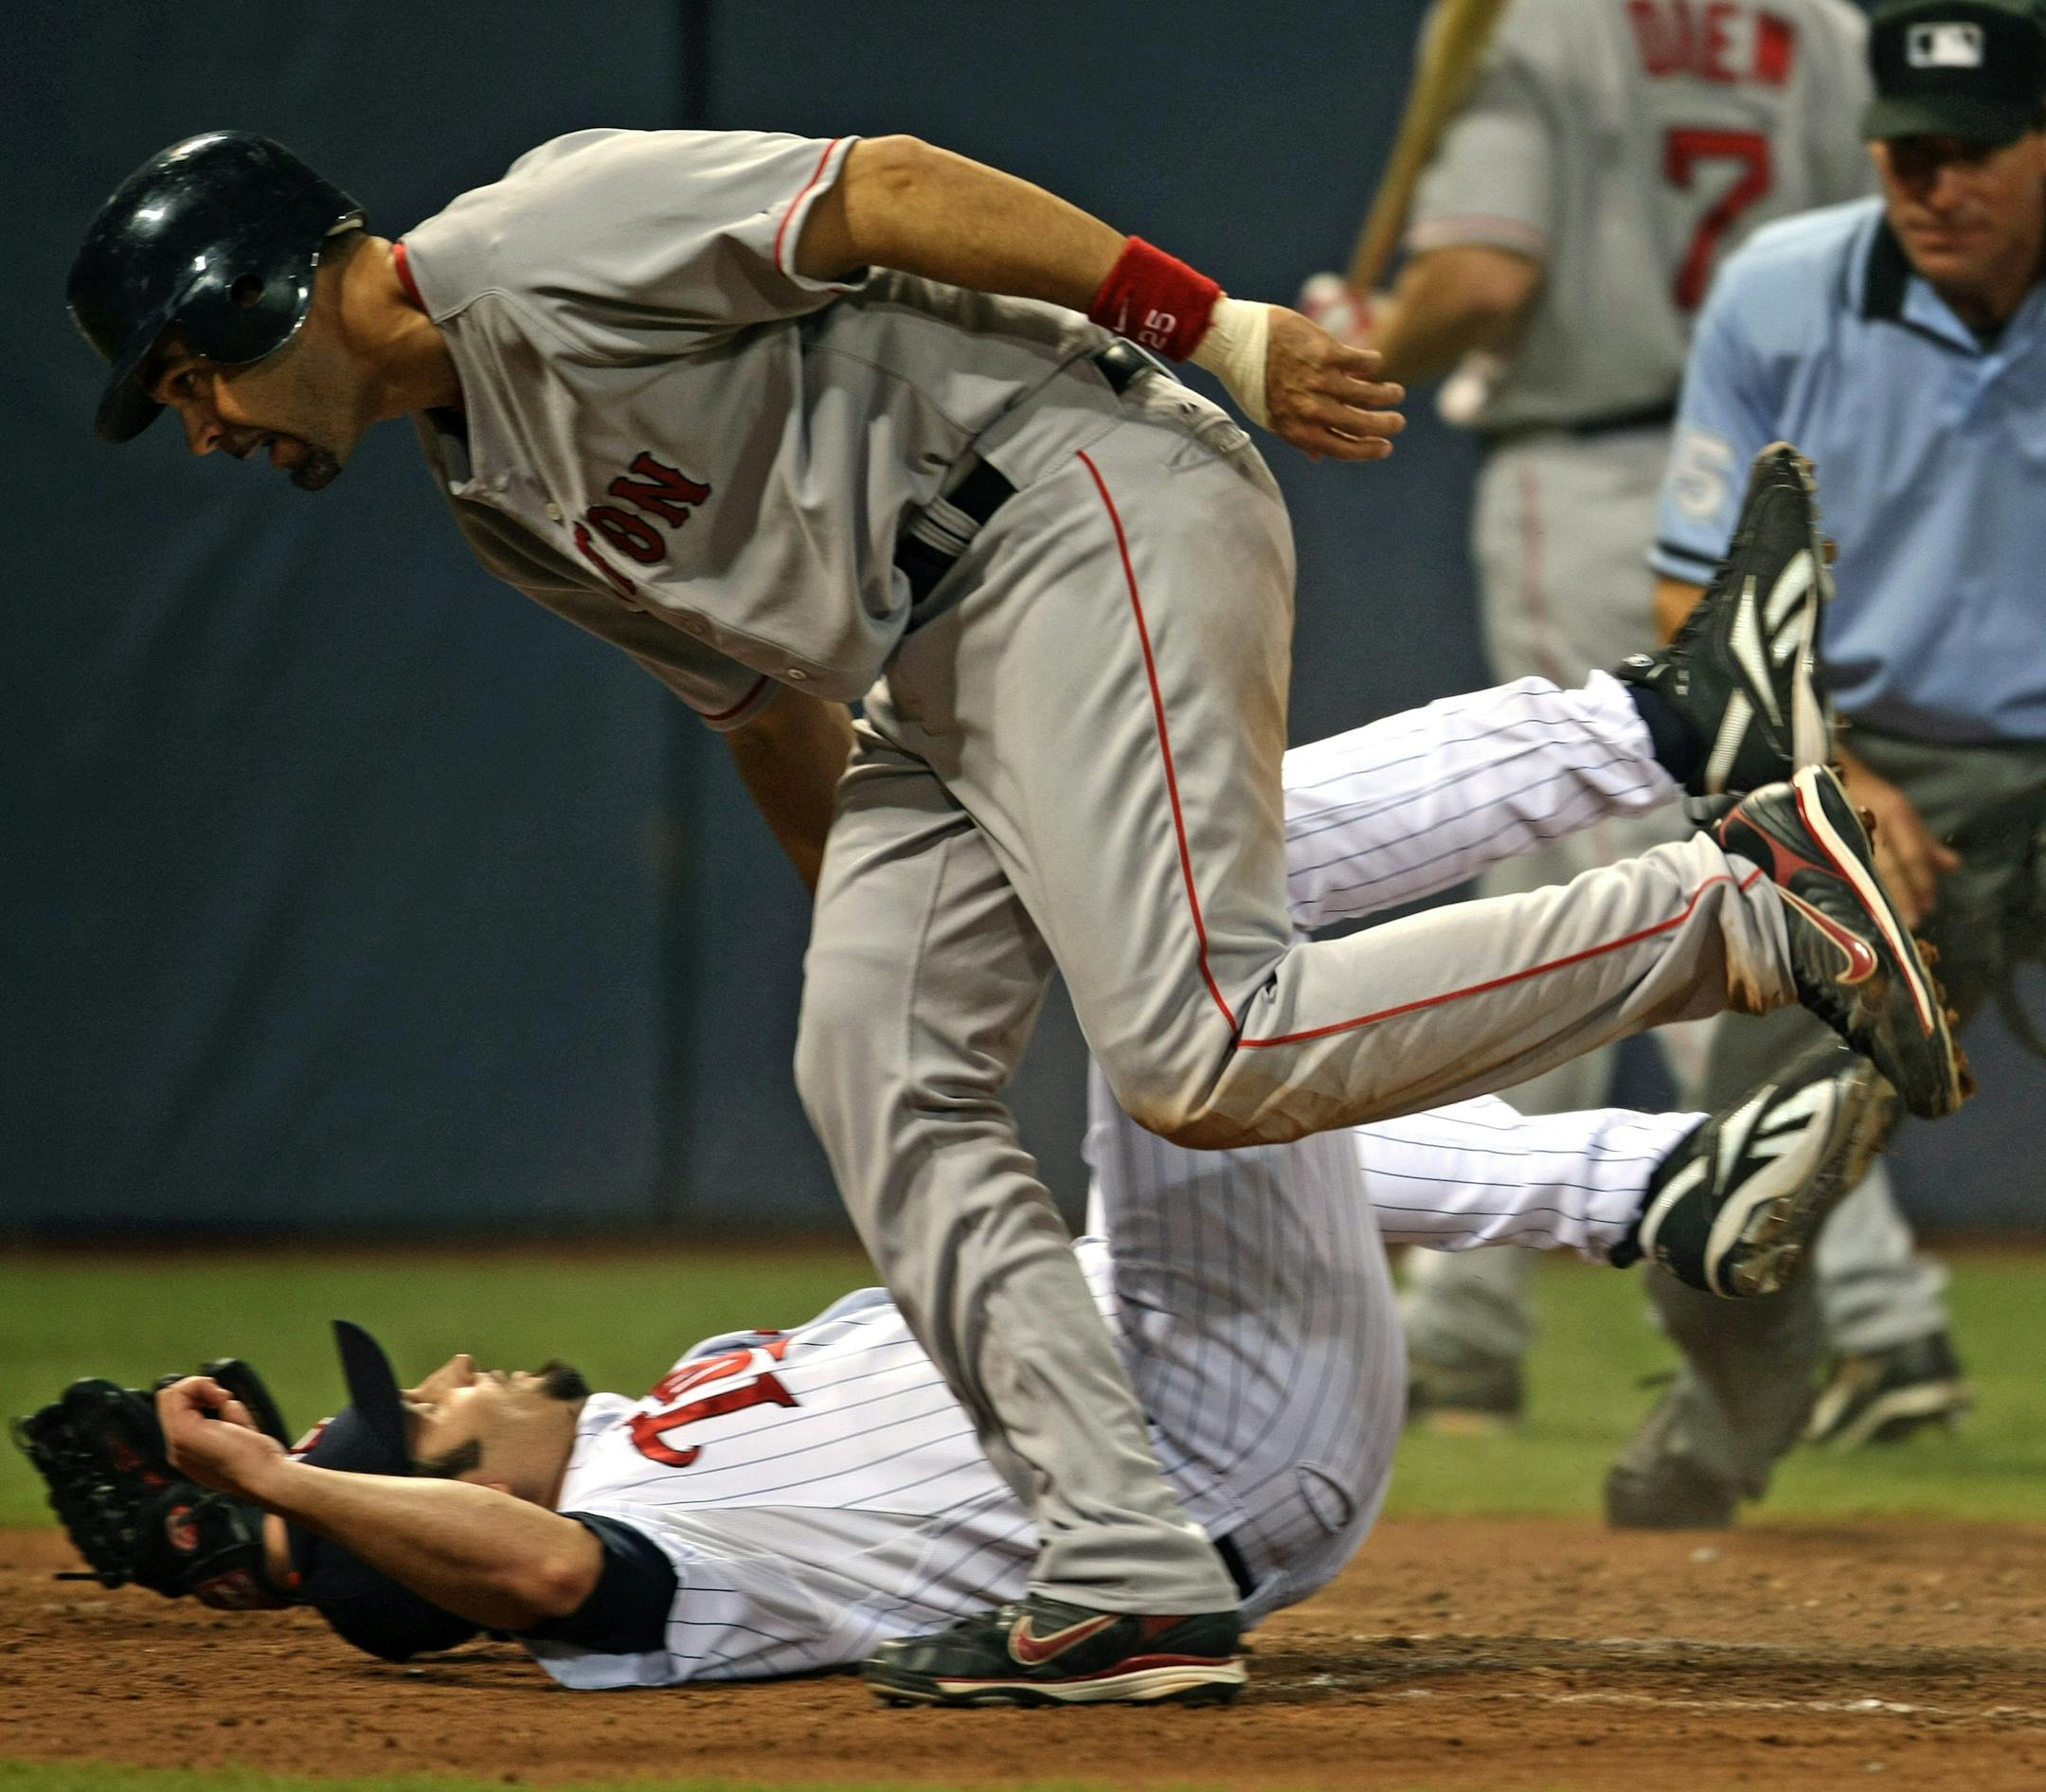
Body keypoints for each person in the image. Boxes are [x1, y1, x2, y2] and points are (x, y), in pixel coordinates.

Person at [67, 123, 1963, 1701]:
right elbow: (764, 711)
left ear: (266, 295)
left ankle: (1735, 910)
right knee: (871, 1066)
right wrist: (912, 958)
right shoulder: (488, 486)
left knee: (1200, 1043)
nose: (210, 427)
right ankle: (1128, 1565)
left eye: (191, 378)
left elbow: (880, 189)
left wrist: (1208, 328)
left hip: (1070, 498)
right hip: (925, 666)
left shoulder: (530, 237)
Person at [146, 669, 1895, 1697]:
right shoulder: (641, 1569)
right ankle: (1696, 833)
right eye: (430, 1413)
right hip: (1202, 1465)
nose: (454, 1375)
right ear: (460, 1516)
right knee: (1171, 978)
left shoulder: (648, 1426)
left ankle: (1663, 1172)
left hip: (1188, 1372)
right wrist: (305, 1508)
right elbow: (524, 1584)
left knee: (1179, 938)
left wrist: (257, 1516)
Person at [1302, 0, 1876, 1432]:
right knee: (1617, 875)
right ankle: (1476, 1324)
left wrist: (1374, 339)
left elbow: (1485, 281)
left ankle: (1862, 1306)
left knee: (1648, 879)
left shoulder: (1535, 23)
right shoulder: (1824, 21)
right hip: (1796, 474)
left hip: (1611, 466)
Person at [1607, 0, 2046, 1526]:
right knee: (1722, 1212)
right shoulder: (1784, 294)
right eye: (1911, 152)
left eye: (1979, 150)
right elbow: (1690, 596)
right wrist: (1834, 772)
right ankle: (1718, 1442)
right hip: (1864, 769)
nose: (1940, 185)